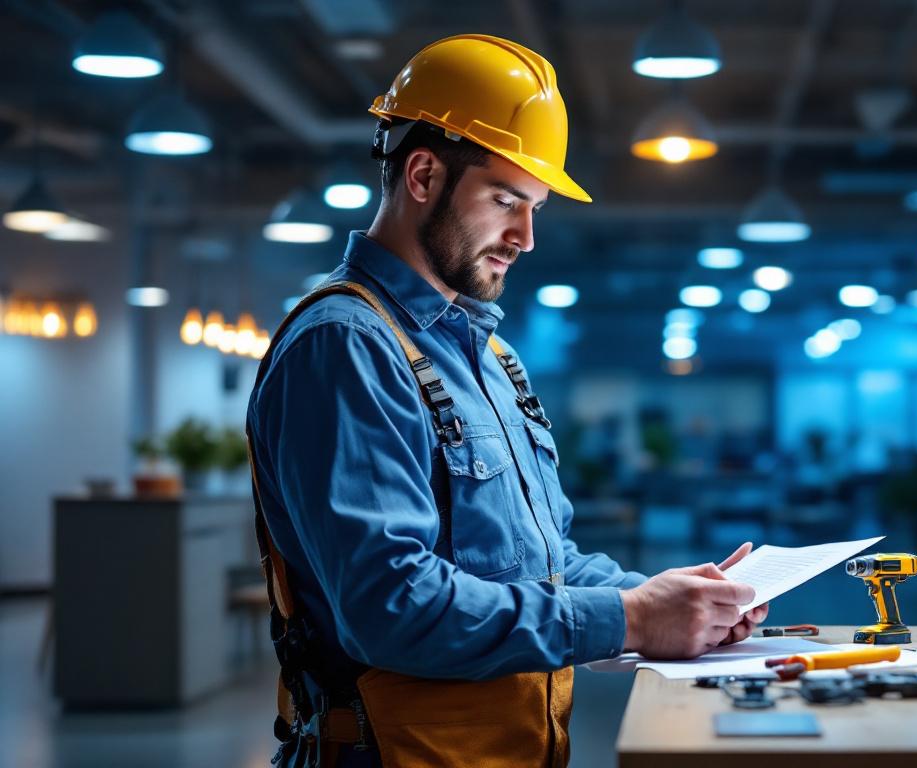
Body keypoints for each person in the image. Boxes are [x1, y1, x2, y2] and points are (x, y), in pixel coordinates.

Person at [245, 34, 767, 768]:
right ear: (422, 173)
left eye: (536, 208)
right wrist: (630, 618)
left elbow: (537, 565)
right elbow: (391, 606)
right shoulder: (346, 347)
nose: (524, 237)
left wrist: (673, 601)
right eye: (505, 200)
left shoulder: (486, 355)